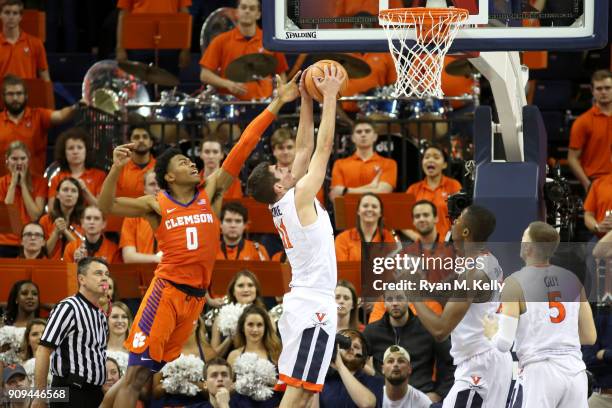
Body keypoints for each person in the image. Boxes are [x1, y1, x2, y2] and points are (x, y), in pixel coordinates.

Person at [98, 73, 300, 408]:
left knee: (142, 374)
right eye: (182, 162)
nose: (192, 164)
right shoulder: (156, 204)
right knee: (134, 377)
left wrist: (277, 102)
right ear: (169, 176)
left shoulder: (210, 191)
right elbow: (106, 206)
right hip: (166, 293)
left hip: (194, 299)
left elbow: (242, 146)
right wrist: (116, 169)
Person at [247, 65, 345, 406]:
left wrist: (305, 98)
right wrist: (329, 97)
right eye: (282, 169)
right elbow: (323, 147)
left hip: (303, 303)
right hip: (313, 304)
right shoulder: (300, 196)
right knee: (297, 392)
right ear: (278, 184)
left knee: (304, 392)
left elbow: (304, 148)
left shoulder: (286, 201)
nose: (288, 165)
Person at [483, 221, 597, 408]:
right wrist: (558, 334)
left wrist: (490, 333)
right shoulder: (573, 280)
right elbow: (589, 336)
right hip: (575, 371)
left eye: (523, 238)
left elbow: (504, 343)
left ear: (528, 247)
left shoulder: (515, 282)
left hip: (541, 372)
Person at [411, 205, 513, 408]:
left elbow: (440, 330)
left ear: (466, 231)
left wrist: (411, 294)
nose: (453, 223)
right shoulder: (489, 261)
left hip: (479, 362)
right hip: (491, 358)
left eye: (457, 221)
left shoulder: (473, 273)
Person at [33, 257, 110, 408]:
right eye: (98, 273)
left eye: (107, 274)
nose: (104, 278)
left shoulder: (100, 315)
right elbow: (43, 350)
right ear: (82, 279)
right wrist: (40, 396)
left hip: (94, 393)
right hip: (70, 389)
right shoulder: (68, 307)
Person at [363, 290, 454, 403]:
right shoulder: (372, 331)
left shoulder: (427, 328)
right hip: (383, 399)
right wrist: (369, 389)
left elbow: (450, 362)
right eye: (390, 299)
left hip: (421, 397)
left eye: (399, 298)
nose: (395, 303)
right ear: (384, 303)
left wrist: (439, 393)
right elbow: (356, 362)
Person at [199, 0, 288, 100]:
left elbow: (281, 74)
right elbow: (205, 75)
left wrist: (279, 95)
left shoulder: (271, 40)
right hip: (230, 106)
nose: (247, 11)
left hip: (264, 106)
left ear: (258, 14)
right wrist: (228, 84)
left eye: (252, 8)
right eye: (243, 7)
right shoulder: (220, 41)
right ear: (236, 12)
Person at [0, 75, 79, 176]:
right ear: (3, 97)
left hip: (35, 185)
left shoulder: (39, 116)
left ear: (26, 95)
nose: (15, 98)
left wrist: (77, 106)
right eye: (10, 94)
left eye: (19, 93)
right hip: (2, 186)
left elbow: (61, 115)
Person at [151, 316, 216, 407]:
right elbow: (155, 392)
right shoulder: (164, 352)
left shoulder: (209, 353)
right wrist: (173, 382)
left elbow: (213, 391)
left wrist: (192, 382)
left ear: (198, 323)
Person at [329, 120, 398, 204]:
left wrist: (345, 190)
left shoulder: (389, 163)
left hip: (377, 213)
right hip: (347, 213)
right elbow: (335, 196)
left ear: (375, 136)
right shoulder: (340, 164)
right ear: (353, 138)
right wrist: (372, 187)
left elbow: (383, 192)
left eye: (367, 131)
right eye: (359, 132)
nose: (363, 134)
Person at [115, 0, 191, 75]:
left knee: (167, 85)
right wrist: (120, 48)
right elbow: (123, 14)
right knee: (139, 85)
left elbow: (185, 14)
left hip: (169, 46)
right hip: (138, 45)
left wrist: (185, 49)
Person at [403, 145, 462, 241]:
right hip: (421, 247)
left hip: (448, 245)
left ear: (445, 164)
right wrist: (416, 237)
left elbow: (462, 218)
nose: (430, 160)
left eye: (436, 157)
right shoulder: (413, 189)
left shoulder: (454, 185)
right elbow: (401, 220)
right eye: (426, 157)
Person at [568, 69, 612, 192]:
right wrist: (587, 184)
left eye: (608, 88)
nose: (603, 92)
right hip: (596, 182)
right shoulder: (583, 122)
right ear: (592, 91)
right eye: (599, 88)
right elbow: (572, 158)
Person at [0, 141, 46, 257]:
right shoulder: (1, 183)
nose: (19, 162)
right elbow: (6, 216)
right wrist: (13, 184)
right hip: (5, 242)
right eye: (14, 159)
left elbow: (35, 215)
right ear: (7, 160)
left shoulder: (40, 182)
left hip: (30, 242)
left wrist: (24, 185)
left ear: (28, 159)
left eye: (23, 158)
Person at [315, 329, 382, 407]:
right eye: (345, 344)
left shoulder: (374, 381)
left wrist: (340, 366)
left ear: (363, 356)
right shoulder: (323, 380)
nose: (351, 348)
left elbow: (367, 404)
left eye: (356, 346)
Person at [211, 270, 268, 357]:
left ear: (256, 290)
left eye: (250, 285)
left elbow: (273, 349)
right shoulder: (220, 318)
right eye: (240, 286)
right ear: (233, 291)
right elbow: (212, 356)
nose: (246, 289)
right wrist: (231, 337)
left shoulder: (265, 317)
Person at [47, 127, 107, 208]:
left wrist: (85, 190)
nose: (75, 152)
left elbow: (102, 209)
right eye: (70, 148)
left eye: (80, 147)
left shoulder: (99, 175)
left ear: (86, 150)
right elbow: (51, 210)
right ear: (64, 152)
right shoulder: (56, 179)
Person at [334, 193, 397, 261]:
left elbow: (392, 267)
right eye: (365, 206)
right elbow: (342, 269)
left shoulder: (388, 237)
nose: (370, 209)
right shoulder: (342, 239)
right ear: (358, 211)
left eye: (374, 206)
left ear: (380, 213)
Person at [0, 0, 49, 81]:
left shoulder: (36, 43)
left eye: (15, 13)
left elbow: (44, 74)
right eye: (7, 13)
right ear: (0, 15)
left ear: (20, 17)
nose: (11, 17)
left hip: (28, 92)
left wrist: (48, 93)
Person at [119, 170, 161, 263]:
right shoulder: (132, 216)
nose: (157, 188)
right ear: (145, 189)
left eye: (160, 184)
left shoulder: (176, 214)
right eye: (152, 184)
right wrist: (157, 259)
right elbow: (128, 257)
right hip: (143, 272)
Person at [38, 177, 85, 260]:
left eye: (74, 191)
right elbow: (44, 253)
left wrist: (65, 231)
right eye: (65, 190)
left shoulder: (84, 221)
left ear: (78, 196)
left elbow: (83, 251)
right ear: (57, 195)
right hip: (51, 267)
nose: (69, 194)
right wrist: (55, 233)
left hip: (75, 266)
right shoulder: (45, 220)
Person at [115, 125, 157, 199]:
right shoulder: (120, 168)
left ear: (151, 143)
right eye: (136, 137)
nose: (141, 140)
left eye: (145, 137)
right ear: (129, 143)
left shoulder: (160, 167)